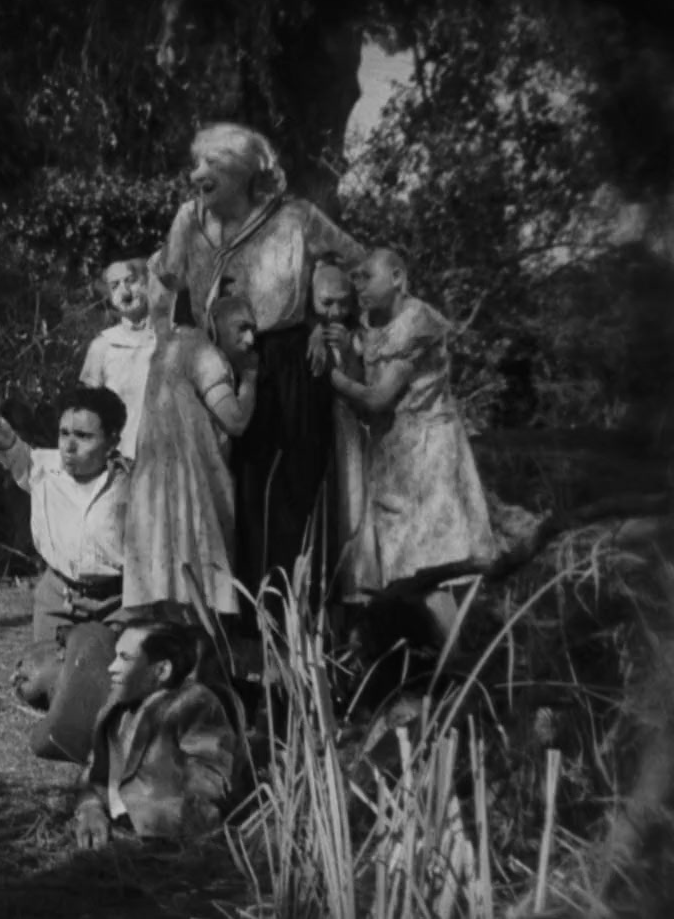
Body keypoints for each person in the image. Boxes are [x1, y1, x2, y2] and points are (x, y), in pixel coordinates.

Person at [153, 122, 364, 612]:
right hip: (214, 363)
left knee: (289, 490)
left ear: (243, 170)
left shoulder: (297, 217)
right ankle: (228, 615)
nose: (196, 175)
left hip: (289, 363)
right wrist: (167, 350)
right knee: (223, 488)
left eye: (210, 164)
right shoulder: (188, 220)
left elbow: (360, 264)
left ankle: (294, 617)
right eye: (196, 164)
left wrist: (325, 322)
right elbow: (165, 283)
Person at [326, 248, 496, 643]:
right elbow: (367, 368)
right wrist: (348, 351)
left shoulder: (418, 323)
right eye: (356, 278)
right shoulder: (371, 323)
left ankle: (454, 663)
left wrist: (332, 378)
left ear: (398, 277)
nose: (359, 286)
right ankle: (426, 658)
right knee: (401, 569)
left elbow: (377, 398)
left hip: (427, 456)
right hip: (393, 454)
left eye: (367, 277)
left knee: (430, 571)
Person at [123, 282, 259, 618]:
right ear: (213, 318)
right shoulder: (202, 352)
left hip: (158, 484)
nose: (250, 340)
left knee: (170, 586)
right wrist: (250, 379)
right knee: (198, 588)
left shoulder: (167, 347)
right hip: (191, 484)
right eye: (241, 328)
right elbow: (236, 420)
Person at [0, 386, 130, 643]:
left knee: (110, 664)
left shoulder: (131, 484)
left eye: (83, 436)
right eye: (64, 434)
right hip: (59, 599)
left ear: (111, 442)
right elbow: (19, 456)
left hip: (119, 601)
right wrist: (6, 439)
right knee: (47, 664)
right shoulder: (46, 470)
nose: (69, 446)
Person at [74, 620, 241, 846]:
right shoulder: (115, 707)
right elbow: (94, 770)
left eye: (125, 658)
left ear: (161, 670)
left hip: (161, 837)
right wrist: (90, 808)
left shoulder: (195, 704)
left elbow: (208, 785)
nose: (111, 667)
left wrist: (149, 826)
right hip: (121, 831)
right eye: (115, 656)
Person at [312, 259, 379, 605]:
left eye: (342, 303)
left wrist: (349, 356)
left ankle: (357, 593)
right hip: (314, 435)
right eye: (327, 303)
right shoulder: (307, 334)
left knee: (352, 506)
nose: (335, 312)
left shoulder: (358, 338)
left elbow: (367, 391)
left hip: (348, 434)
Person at [80, 258, 157, 461]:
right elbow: (89, 413)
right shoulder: (102, 347)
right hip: (123, 459)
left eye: (130, 281)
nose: (124, 291)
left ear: (147, 283)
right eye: (115, 286)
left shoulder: (168, 340)